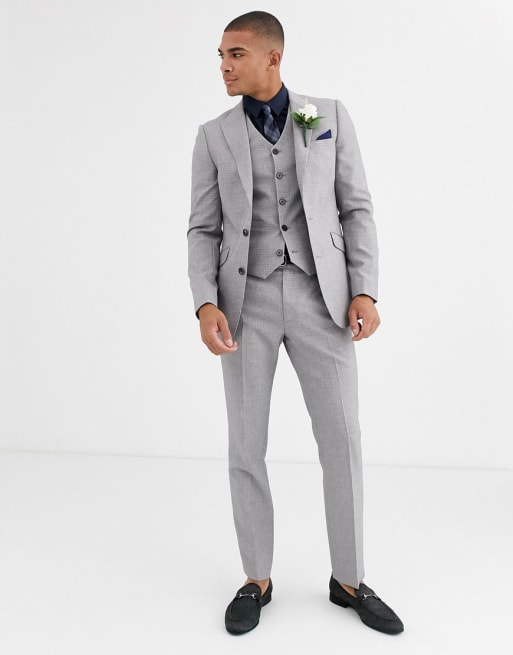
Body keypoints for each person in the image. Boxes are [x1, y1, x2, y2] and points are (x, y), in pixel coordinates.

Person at [187, 10, 404, 636]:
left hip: (321, 299)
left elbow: (356, 208)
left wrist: (364, 289)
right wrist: (205, 303)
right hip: (244, 303)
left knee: (343, 439)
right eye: (220, 55)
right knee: (245, 444)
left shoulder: (327, 115)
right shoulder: (213, 136)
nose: (224, 66)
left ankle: (350, 579)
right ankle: (256, 578)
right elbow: (202, 228)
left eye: (235, 54)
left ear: (272, 58)